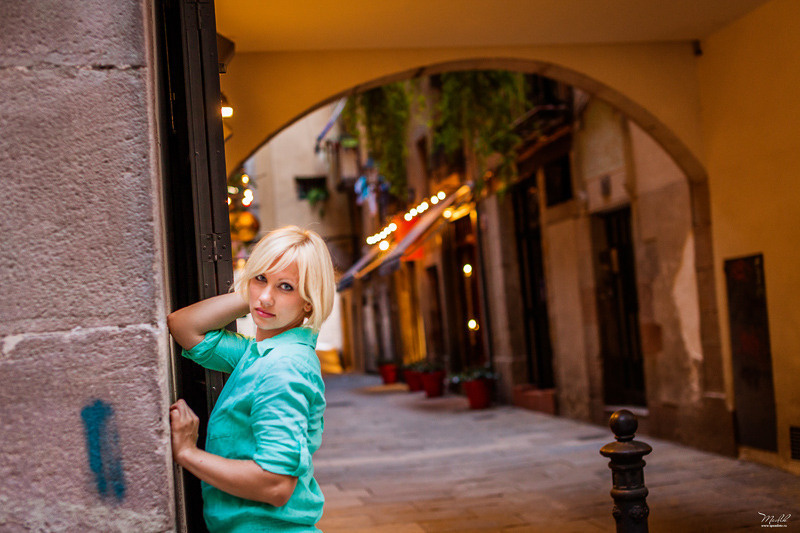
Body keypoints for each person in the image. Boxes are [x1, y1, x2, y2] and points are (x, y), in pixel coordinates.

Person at [167, 226, 335, 532]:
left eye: (287, 287)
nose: (266, 298)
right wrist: (257, 293)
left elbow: (275, 485)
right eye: (260, 278)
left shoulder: (283, 366)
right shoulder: (258, 354)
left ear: (309, 301)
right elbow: (183, 326)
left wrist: (187, 453)